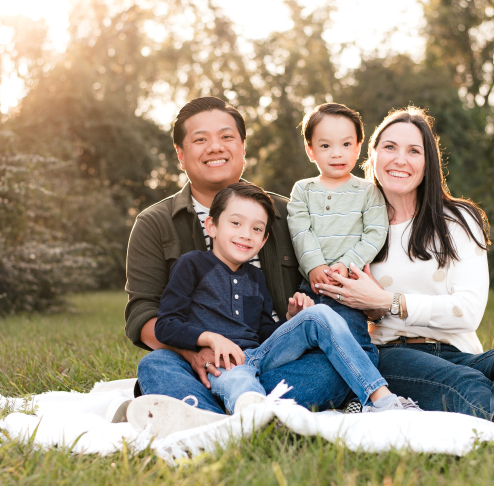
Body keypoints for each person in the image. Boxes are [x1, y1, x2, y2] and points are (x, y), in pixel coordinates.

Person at [312, 107, 494, 426]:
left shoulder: (457, 220)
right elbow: (336, 307)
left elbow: (468, 310)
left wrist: (387, 302)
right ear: (373, 156)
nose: (400, 159)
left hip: (460, 350)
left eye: (414, 151)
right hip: (393, 354)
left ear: (427, 162)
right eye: (390, 147)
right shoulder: (352, 227)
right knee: (467, 384)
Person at [121, 97, 375, 432]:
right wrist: (195, 352)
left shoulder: (289, 214)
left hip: (271, 362)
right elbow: (143, 317)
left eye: (226, 137)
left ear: (243, 147)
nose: (215, 147)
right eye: (200, 139)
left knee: (333, 367)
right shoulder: (155, 223)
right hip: (196, 362)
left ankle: (207, 414)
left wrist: (296, 318)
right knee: (156, 364)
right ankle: (253, 414)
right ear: (181, 155)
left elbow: (329, 282)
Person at [126, 183, 418, 432]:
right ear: (211, 226)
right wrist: (208, 338)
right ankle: (236, 421)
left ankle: (382, 399)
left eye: (257, 229)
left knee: (319, 316)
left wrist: (292, 319)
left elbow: (265, 331)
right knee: (155, 364)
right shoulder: (191, 264)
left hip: (255, 360)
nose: (246, 234)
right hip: (217, 365)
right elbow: (166, 324)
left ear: (264, 239)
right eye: (236, 223)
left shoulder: (255, 276)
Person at [287, 103, 387, 370]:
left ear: (358, 147)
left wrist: (346, 264)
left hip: (347, 287)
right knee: (308, 344)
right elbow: (300, 229)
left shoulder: (368, 191)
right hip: (312, 285)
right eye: (325, 146)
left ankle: (365, 393)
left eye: (345, 144)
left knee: (353, 339)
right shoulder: (303, 190)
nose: (336, 154)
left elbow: (375, 232)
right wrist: (315, 266)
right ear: (310, 150)